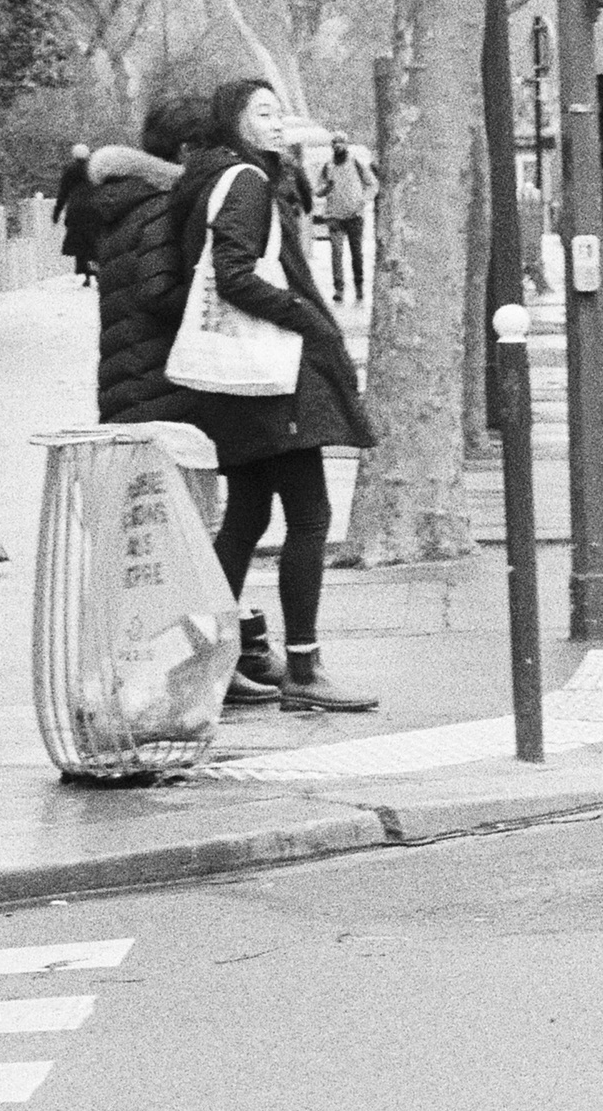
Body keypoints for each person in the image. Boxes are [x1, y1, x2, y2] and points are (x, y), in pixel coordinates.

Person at [167, 78, 380, 714]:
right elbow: (233, 275)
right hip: (270, 376)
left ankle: (209, 656)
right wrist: (303, 315)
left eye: (278, 111)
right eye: (263, 112)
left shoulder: (209, 179)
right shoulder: (248, 182)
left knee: (247, 516)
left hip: (238, 380)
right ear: (233, 121)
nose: (277, 122)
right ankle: (304, 669)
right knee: (310, 516)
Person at [64, 102, 286, 704]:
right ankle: (203, 666)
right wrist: (217, 295)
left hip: (131, 386)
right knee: (187, 538)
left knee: (170, 539)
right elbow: (160, 293)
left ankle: (216, 655)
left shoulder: (123, 203)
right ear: (187, 153)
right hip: (164, 391)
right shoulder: (162, 205)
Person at [315, 137, 378, 304]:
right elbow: (317, 190)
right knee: (336, 253)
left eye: (341, 142)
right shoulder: (328, 166)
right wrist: (326, 188)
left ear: (346, 145)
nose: (338, 146)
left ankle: (359, 287)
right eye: (334, 143)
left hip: (354, 216)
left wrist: (363, 201)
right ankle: (339, 289)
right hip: (334, 216)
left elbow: (372, 184)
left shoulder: (356, 163)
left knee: (356, 253)